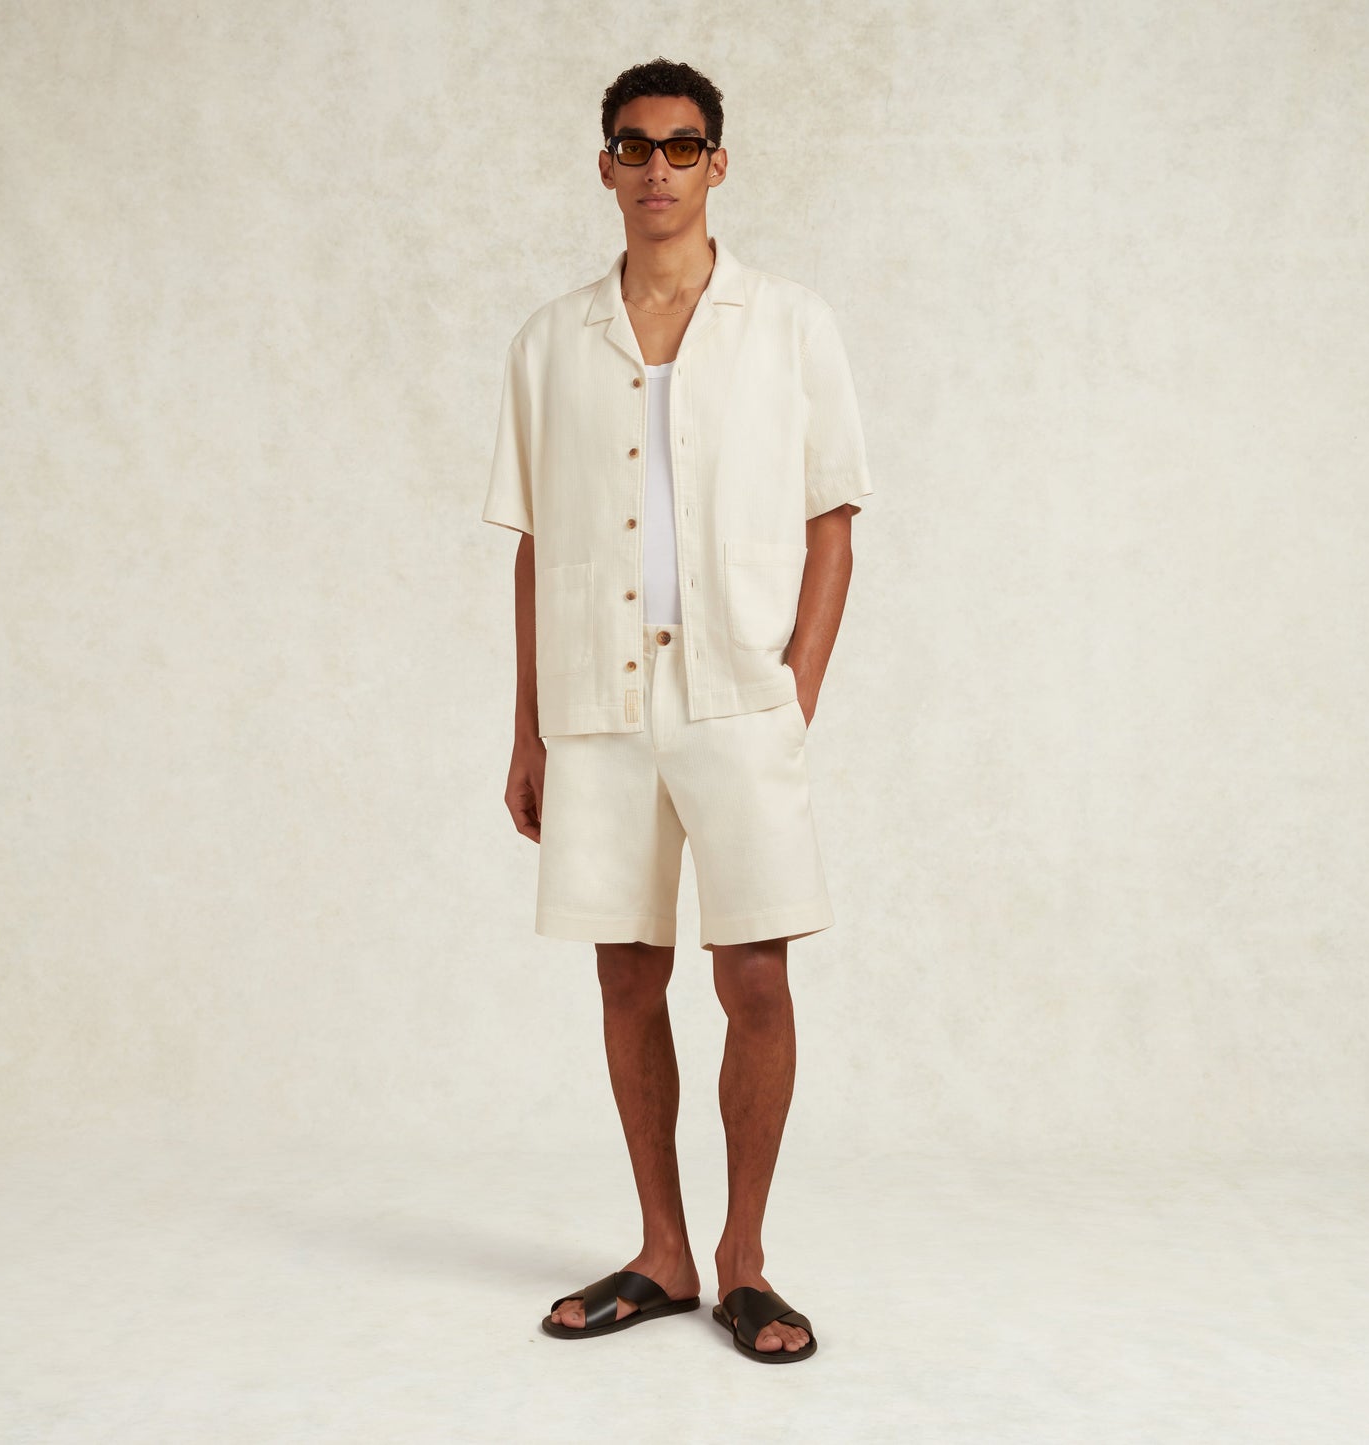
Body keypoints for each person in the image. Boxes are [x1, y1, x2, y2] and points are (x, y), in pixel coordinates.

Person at [482, 56, 872, 1363]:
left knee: (753, 971)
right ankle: (663, 1249)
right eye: (636, 145)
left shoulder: (790, 323)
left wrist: (793, 688)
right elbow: (537, 546)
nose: (659, 168)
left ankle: (744, 1261)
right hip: (597, 702)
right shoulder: (551, 341)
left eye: (683, 145)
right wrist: (528, 727)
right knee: (624, 970)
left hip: (738, 695)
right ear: (604, 165)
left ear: (719, 162)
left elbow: (833, 523)